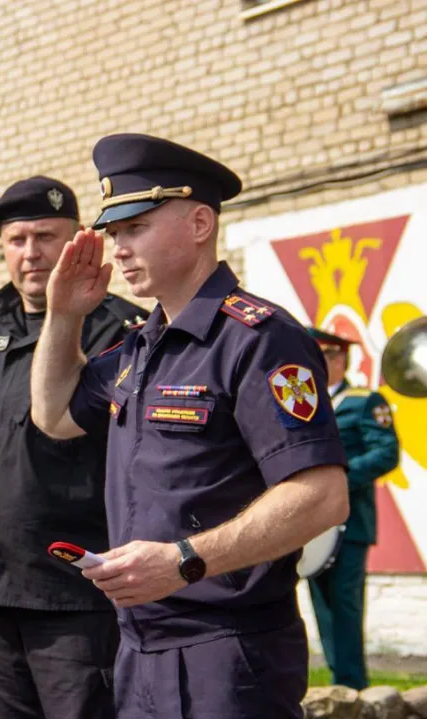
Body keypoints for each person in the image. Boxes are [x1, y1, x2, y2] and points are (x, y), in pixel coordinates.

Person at [30, 133, 351, 719]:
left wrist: (183, 560)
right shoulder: (141, 346)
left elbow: (323, 496)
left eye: (137, 228)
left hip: (227, 654)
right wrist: (63, 317)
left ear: (200, 222)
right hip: (141, 647)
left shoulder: (257, 338)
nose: (119, 249)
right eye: (114, 233)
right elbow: (53, 415)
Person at [0, 177, 146, 720]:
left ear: (77, 241)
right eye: (16, 240)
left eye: (46, 236)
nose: (31, 254)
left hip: (78, 596)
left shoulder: (117, 328)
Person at [306, 327, 399, 690]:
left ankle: (353, 684)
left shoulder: (364, 401)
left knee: (345, 606)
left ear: (339, 358)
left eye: (324, 357)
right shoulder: (306, 401)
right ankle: (336, 685)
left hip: (350, 522)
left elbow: (386, 452)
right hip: (313, 526)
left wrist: (340, 478)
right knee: (322, 607)